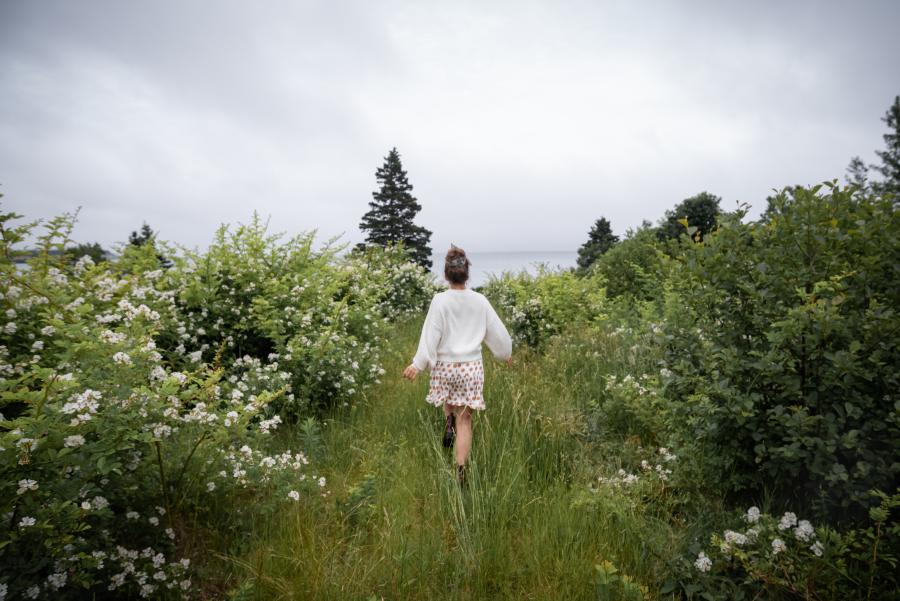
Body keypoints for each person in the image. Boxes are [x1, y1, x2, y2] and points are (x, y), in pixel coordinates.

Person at [402, 244, 513, 486]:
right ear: (467, 273)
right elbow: (496, 332)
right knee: (466, 420)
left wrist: (417, 364)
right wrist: (505, 354)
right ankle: (461, 469)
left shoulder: (440, 301)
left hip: (445, 367)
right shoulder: (480, 301)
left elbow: (430, 334)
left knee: (450, 403)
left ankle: (448, 421)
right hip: (470, 368)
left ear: (446, 274)